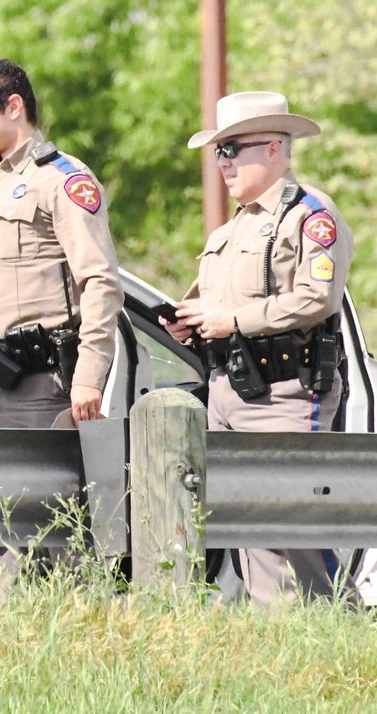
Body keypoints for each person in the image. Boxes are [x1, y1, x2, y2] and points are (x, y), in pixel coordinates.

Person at [0, 59, 123, 596]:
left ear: (15, 107)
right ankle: (1, 648)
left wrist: (89, 378)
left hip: (40, 386)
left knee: (50, 532)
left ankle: (66, 644)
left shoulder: (63, 180)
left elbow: (101, 284)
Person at [163, 91, 356, 605]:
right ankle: (278, 635)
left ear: (274, 148)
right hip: (231, 391)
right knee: (249, 527)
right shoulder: (231, 229)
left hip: (287, 392)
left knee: (295, 525)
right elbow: (214, 306)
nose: (223, 163)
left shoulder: (310, 215)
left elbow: (318, 298)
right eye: (218, 152)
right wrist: (192, 323)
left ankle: (341, 630)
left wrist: (231, 320)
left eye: (234, 149)